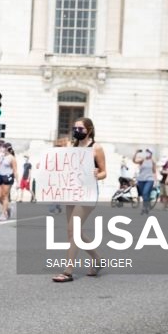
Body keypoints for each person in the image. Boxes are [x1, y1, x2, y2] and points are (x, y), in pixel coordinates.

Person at [51, 118, 107, 282]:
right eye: (75, 128)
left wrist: (97, 174)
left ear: (89, 130)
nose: (77, 131)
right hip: (72, 191)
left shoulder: (96, 148)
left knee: (73, 231)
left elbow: (104, 172)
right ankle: (97, 259)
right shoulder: (72, 147)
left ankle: (68, 271)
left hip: (88, 192)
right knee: (74, 231)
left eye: (80, 128)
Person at [0, 142, 18, 221]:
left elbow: (15, 170)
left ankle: (4, 213)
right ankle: (8, 209)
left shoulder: (11, 158)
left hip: (7, 176)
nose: (2, 149)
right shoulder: (1, 156)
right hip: (0, 175)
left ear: (8, 148)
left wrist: (17, 182)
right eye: (2, 147)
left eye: (4, 147)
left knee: (5, 196)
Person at [133, 148, 157, 215]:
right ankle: (146, 207)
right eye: (146, 151)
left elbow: (154, 172)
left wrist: (155, 181)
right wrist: (136, 153)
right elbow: (134, 161)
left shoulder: (153, 161)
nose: (147, 153)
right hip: (141, 179)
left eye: (148, 152)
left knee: (145, 192)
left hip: (149, 179)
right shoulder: (142, 160)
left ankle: (144, 208)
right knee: (144, 195)